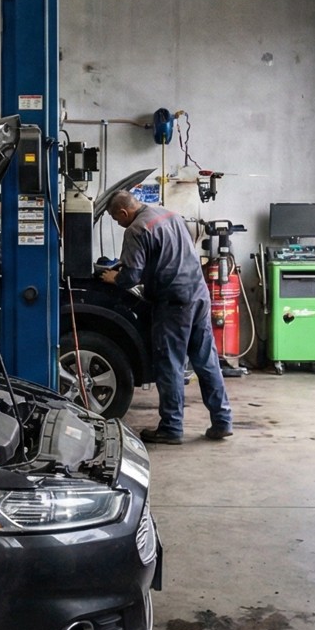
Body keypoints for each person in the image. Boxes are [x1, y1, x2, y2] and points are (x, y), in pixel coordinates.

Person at [99, 190, 232, 443]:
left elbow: (130, 278)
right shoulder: (167, 213)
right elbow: (166, 254)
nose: (119, 224)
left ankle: (171, 428)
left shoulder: (135, 230)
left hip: (173, 304)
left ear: (124, 212)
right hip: (199, 294)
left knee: (170, 363)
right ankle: (223, 420)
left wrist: (113, 276)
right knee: (206, 360)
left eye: (117, 219)